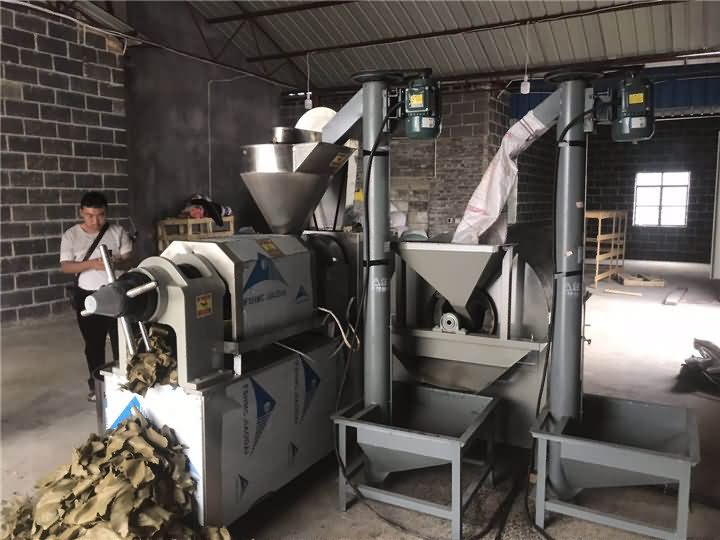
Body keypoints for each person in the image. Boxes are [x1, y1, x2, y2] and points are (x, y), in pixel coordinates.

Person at [60, 192, 133, 402]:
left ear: (106, 212)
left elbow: (130, 261)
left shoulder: (118, 231)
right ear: (81, 213)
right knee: (94, 343)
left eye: (100, 215)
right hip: (88, 295)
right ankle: (97, 386)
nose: (95, 221)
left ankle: (126, 382)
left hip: (117, 293)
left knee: (122, 340)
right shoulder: (71, 235)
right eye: (90, 216)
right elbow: (66, 267)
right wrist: (92, 264)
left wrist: (115, 262)